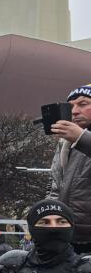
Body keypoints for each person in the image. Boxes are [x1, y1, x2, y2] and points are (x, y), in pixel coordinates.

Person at [50, 84, 91, 253]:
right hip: (66, 239)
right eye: (71, 105)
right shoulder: (66, 143)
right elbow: (54, 187)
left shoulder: (79, 139)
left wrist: (82, 138)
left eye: (82, 104)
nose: (74, 111)